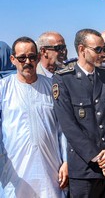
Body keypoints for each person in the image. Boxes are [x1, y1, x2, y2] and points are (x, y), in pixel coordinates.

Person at [53, 28, 105, 198]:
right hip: (85, 170)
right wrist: (97, 157)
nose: (103, 54)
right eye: (98, 50)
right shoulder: (64, 79)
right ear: (81, 49)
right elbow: (69, 126)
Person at [0, 36, 68, 197]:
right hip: (15, 172)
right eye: (22, 58)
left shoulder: (53, 86)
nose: (27, 62)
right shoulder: (3, 88)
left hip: (51, 170)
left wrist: (66, 161)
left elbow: (63, 129)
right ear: (13, 59)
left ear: (38, 58)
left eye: (31, 57)